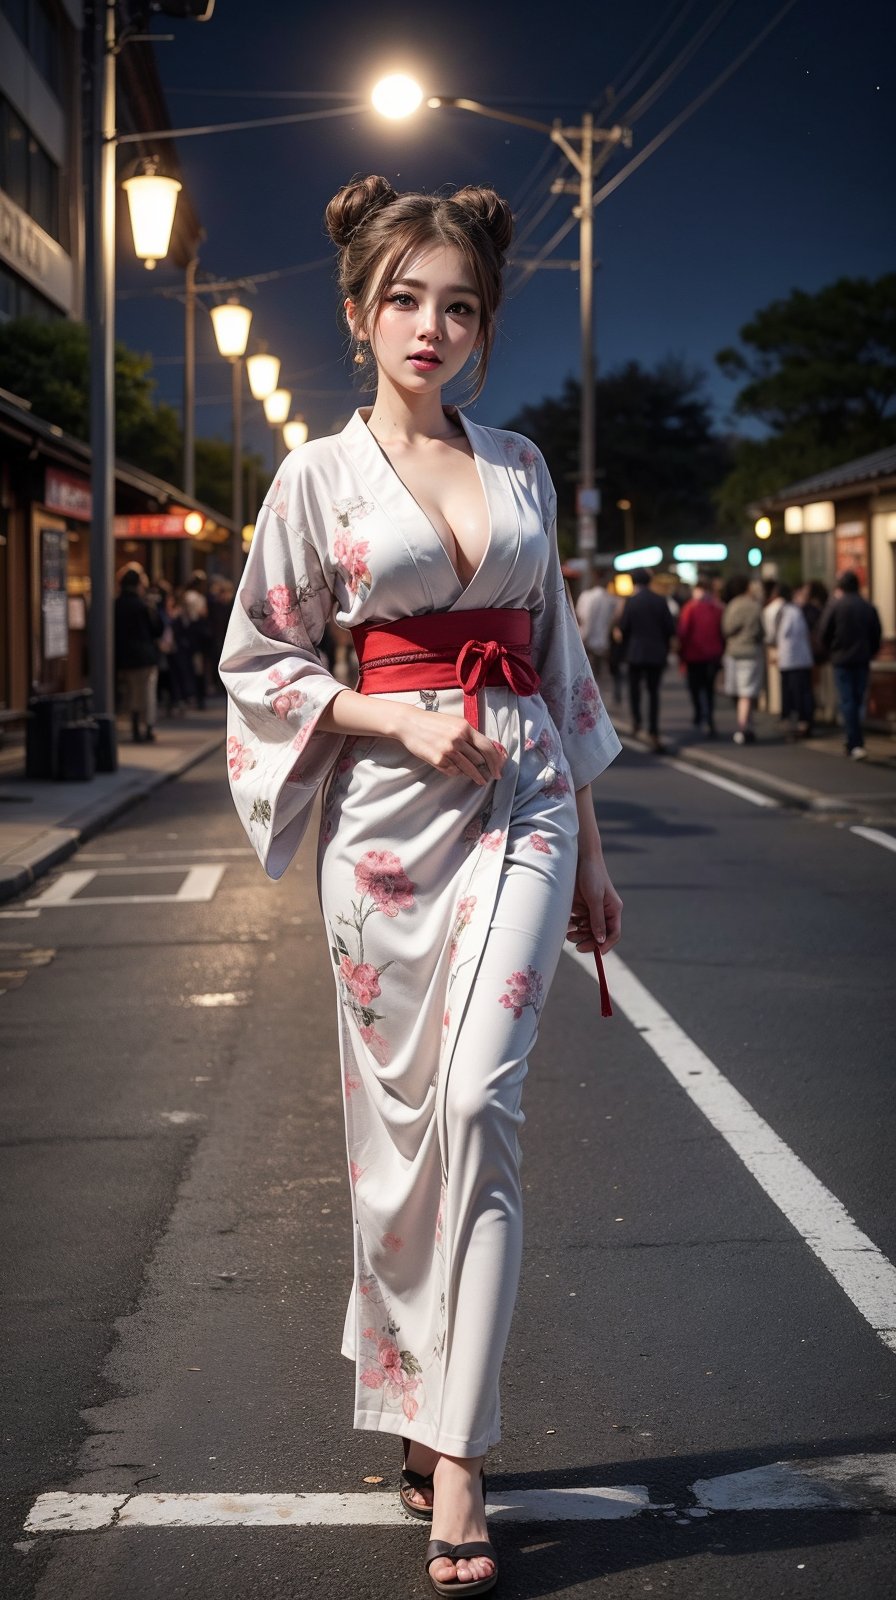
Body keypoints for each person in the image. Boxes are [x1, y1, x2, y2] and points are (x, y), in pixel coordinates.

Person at [220, 175, 623, 1598]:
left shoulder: (520, 466)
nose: (431, 326)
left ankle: (459, 1457)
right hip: (386, 835)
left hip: (520, 805)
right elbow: (262, 662)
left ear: (484, 327)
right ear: (356, 313)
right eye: (405, 300)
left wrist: (592, 844)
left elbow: (560, 663)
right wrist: (391, 717)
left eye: (458, 305)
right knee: (400, 1155)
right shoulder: (312, 481)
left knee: (476, 1104)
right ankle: (410, 1394)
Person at [819, 570, 882, 758]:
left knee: (847, 700)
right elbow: (876, 634)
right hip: (862, 658)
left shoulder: (836, 606)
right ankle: (855, 738)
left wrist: (832, 649)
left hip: (841, 659)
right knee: (858, 698)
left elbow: (824, 633)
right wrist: (870, 652)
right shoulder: (867, 607)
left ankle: (853, 740)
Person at [617, 567, 675, 751]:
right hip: (656, 653)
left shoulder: (631, 602)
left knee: (635, 689)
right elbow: (670, 628)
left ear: (634, 582)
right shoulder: (660, 600)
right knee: (653, 692)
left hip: (635, 652)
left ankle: (636, 721)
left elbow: (624, 627)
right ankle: (654, 729)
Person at [114, 564, 162, 743]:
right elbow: (157, 629)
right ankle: (145, 728)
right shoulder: (143, 605)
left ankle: (135, 726)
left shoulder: (116, 604)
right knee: (146, 694)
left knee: (131, 693)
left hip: (123, 656)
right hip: (144, 655)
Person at [677, 576, 724, 737]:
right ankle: (709, 717)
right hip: (713, 655)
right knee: (709, 689)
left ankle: (699, 714)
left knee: (695, 688)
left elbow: (683, 632)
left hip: (693, 655)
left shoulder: (690, 608)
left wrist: (680, 653)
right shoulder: (718, 608)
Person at [721, 576, 765, 744]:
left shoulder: (732, 606)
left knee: (737, 692)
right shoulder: (754, 606)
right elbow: (762, 631)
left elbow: (726, 628)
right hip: (751, 652)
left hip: (733, 652)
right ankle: (745, 727)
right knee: (747, 693)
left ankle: (745, 726)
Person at [772, 583, 815, 738]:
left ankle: (799, 722)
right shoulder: (793, 611)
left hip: (792, 660)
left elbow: (783, 636)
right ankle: (801, 722)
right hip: (796, 659)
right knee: (798, 694)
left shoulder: (789, 612)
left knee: (796, 694)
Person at [575, 566, 616, 684]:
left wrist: (583, 636)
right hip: (602, 641)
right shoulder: (610, 599)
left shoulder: (586, 596)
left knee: (587, 677)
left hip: (586, 641)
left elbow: (582, 617)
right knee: (599, 675)